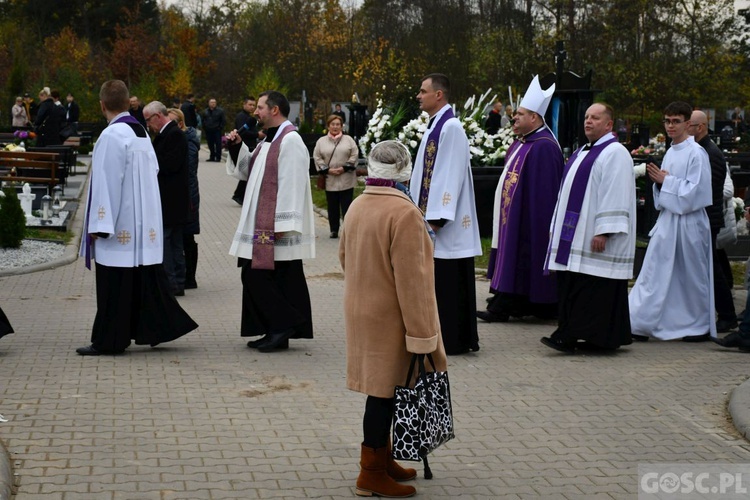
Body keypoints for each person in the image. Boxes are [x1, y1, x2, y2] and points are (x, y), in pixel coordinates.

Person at [340, 140, 447, 498]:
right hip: (392, 318)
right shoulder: (404, 214)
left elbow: (344, 257)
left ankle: (382, 459)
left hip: (362, 311)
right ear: (404, 171)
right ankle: (370, 473)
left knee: (380, 390)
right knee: (385, 393)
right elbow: (413, 282)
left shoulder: (357, 205)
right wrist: (423, 335)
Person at [76, 79, 197, 356]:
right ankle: (153, 328)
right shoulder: (140, 132)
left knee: (114, 287)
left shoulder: (111, 136)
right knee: (139, 283)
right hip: (142, 226)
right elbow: (153, 173)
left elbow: (107, 183)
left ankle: (109, 340)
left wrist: (100, 225)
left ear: (102, 105)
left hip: (119, 227)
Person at [541, 103, 636, 352]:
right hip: (574, 236)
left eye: (595, 118)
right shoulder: (582, 151)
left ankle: (587, 337)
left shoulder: (615, 152)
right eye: (586, 117)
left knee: (593, 289)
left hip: (594, 237)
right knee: (574, 285)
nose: (588, 121)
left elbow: (615, 193)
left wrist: (604, 230)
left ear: (609, 124)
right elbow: (564, 194)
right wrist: (556, 227)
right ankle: (572, 333)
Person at [225, 90, 315, 352]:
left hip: (276, 228)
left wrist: (282, 226)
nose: (256, 112)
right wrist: (235, 147)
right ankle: (275, 329)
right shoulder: (267, 142)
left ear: (274, 110)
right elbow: (247, 172)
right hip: (261, 226)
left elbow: (293, 184)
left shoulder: (291, 141)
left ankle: (283, 326)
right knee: (269, 279)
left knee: (261, 277)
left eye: (261, 107)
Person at [478, 75, 564, 324]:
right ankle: (510, 300)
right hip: (511, 216)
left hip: (528, 220)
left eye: (521, 114)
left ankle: (509, 305)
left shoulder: (545, 146)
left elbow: (545, 194)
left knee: (525, 258)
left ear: (535, 118)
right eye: (515, 114)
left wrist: (531, 220)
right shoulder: (522, 143)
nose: (514, 118)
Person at [629, 101, 716, 342]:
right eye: (667, 121)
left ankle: (696, 325)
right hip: (669, 220)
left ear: (688, 123)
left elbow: (697, 193)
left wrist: (666, 181)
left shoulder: (697, 153)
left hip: (689, 223)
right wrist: (661, 183)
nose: (670, 126)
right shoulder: (670, 151)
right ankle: (641, 320)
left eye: (676, 121)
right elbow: (665, 187)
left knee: (689, 276)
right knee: (655, 272)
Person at [410, 73, 482, 355]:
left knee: (450, 283)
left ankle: (454, 340)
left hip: (444, 223)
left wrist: (436, 218)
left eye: (423, 91)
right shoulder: (435, 125)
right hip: (433, 218)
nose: (418, 95)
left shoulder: (450, 127)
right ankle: (448, 336)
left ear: (438, 95)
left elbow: (449, 173)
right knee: (442, 282)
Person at [690, 110, 737, 333]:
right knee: (711, 269)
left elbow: (711, 188)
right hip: (707, 218)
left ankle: (727, 315)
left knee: (712, 270)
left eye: (688, 125)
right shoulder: (704, 150)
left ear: (699, 127)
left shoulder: (709, 153)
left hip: (708, 219)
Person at [143, 101, 189, 297]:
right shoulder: (166, 134)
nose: (147, 125)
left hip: (171, 200)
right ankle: (177, 281)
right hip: (172, 200)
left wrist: (148, 161)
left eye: (148, 120)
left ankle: (172, 283)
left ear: (158, 116)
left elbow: (169, 164)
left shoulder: (174, 135)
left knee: (169, 242)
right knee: (174, 242)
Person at [169, 108, 201, 290]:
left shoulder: (188, 142)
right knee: (182, 236)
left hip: (188, 196)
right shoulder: (180, 140)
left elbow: (187, 171)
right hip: (185, 195)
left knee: (187, 236)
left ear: (180, 124)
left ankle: (190, 277)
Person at [313, 114, 359, 238]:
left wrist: (344, 168)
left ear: (342, 126)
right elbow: (317, 157)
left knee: (347, 206)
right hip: (330, 179)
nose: (335, 127)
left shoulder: (348, 140)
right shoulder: (321, 141)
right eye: (333, 124)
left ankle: (348, 229)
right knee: (332, 206)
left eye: (338, 124)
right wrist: (327, 170)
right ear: (328, 126)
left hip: (346, 179)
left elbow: (354, 154)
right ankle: (334, 230)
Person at [231, 97, 262, 205]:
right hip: (244, 146)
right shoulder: (241, 117)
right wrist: (257, 134)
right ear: (244, 104)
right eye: (250, 104)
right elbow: (242, 132)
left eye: (254, 105)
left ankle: (240, 195)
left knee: (248, 172)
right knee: (246, 171)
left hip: (250, 145)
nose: (252, 107)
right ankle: (239, 195)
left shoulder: (250, 118)